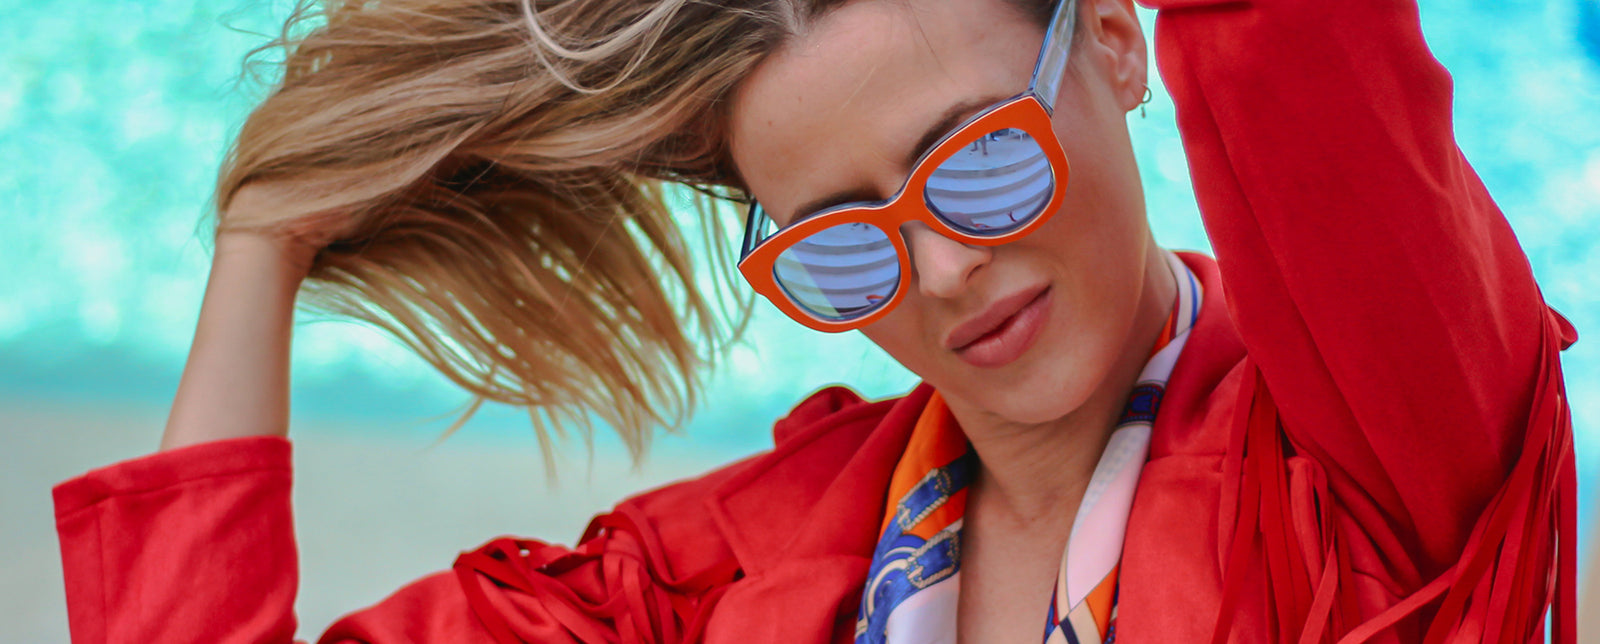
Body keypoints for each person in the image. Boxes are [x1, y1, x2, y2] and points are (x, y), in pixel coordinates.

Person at [51, 0, 1579, 641]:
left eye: (982, 160)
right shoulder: (729, 569)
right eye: (843, 248)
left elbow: (1310, 82)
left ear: (1117, 43)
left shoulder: (1373, 472)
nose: (942, 270)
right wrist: (264, 241)